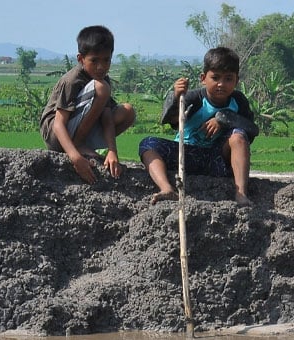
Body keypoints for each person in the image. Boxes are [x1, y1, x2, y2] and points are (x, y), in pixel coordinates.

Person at [138, 46, 258, 207]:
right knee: (148, 144)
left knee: (238, 136)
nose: (221, 84)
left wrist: (223, 119)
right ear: (203, 78)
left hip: (217, 160)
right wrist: (176, 96)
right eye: (215, 78)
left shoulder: (238, 101)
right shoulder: (194, 98)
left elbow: (252, 130)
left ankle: (241, 193)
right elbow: (171, 120)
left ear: (236, 81)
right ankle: (166, 188)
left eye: (228, 79)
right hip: (186, 154)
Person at [40, 25, 137, 184]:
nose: (101, 66)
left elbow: (106, 116)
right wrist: (75, 157)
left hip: (79, 128)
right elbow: (58, 124)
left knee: (128, 112)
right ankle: (78, 145)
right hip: (56, 135)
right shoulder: (72, 80)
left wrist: (112, 151)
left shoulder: (103, 78)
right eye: (94, 61)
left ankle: (83, 144)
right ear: (81, 59)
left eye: (106, 60)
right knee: (101, 88)